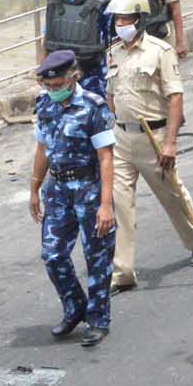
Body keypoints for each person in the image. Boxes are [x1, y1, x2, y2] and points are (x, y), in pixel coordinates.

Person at [105, 0, 193, 291]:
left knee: (172, 195)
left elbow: (175, 98)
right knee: (120, 204)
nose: (120, 24)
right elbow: (111, 95)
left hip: (155, 137)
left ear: (139, 20)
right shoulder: (112, 53)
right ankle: (123, 272)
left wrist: (170, 143)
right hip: (122, 138)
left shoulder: (159, 51)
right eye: (117, 19)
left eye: (126, 19)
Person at [29, 51, 117, 345]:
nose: (52, 91)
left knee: (97, 257)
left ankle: (98, 319)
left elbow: (105, 158)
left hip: (89, 188)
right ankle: (74, 305)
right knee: (52, 255)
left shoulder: (94, 107)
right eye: (48, 86)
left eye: (57, 85)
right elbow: (42, 148)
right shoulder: (44, 104)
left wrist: (105, 205)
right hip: (57, 189)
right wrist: (34, 188)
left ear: (73, 76)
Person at [43, 0, 114, 100]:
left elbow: (114, 43)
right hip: (60, 76)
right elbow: (47, 40)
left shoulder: (101, 1)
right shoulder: (54, 0)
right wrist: (42, 70)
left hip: (92, 75)